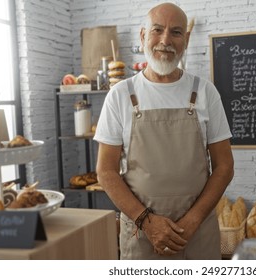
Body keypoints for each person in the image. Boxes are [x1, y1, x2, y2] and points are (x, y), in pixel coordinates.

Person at [94, 2, 234, 260]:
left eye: (176, 32)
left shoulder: (205, 92)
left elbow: (224, 166)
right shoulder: (120, 95)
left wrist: (191, 222)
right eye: (157, 30)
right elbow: (105, 171)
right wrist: (148, 223)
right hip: (141, 235)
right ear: (143, 35)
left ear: (187, 39)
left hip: (197, 234)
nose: (165, 40)